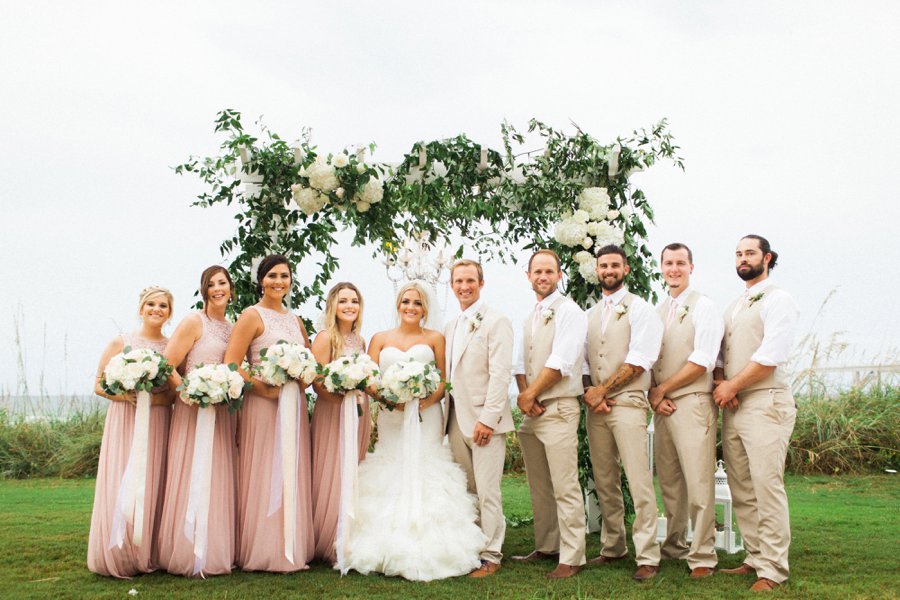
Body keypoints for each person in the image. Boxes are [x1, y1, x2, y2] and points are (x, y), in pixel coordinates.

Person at [341, 281, 484, 581]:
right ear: (398, 305)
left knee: (426, 467)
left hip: (427, 415)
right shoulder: (379, 339)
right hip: (392, 416)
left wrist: (421, 404)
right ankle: (383, 545)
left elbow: (444, 381)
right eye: (406, 301)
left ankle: (435, 546)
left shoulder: (435, 338)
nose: (410, 307)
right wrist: (389, 400)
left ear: (424, 309)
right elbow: (369, 379)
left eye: (417, 303)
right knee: (391, 468)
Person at [714, 235, 798, 592]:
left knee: (767, 485)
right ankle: (755, 555)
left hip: (765, 401)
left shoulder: (779, 299)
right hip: (734, 406)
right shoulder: (733, 305)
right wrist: (721, 383)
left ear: (768, 257)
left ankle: (774, 568)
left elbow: (771, 354)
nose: (743, 258)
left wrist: (732, 386)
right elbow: (719, 356)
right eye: (738, 253)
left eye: (749, 252)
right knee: (741, 487)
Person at [223, 255, 314, 572]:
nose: (279, 281)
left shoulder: (295, 320)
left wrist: (300, 379)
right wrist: (263, 387)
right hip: (262, 405)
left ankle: (290, 544)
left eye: (284, 276)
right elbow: (232, 365)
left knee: (291, 467)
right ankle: (262, 548)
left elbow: (309, 367)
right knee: (264, 470)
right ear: (261, 280)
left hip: (293, 406)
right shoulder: (251, 316)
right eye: (272, 276)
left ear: (291, 281)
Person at [582, 245, 663, 582]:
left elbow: (641, 358)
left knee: (638, 478)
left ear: (626, 269)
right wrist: (591, 392)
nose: (609, 270)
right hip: (596, 407)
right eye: (603, 265)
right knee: (604, 478)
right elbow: (583, 361)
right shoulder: (590, 314)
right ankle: (613, 545)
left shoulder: (641, 309)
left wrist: (604, 390)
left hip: (628, 402)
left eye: (615, 265)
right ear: (597, 271)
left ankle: (648, 554)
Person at [87, 286, 176, 578]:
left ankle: (145, 552)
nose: (156, 310)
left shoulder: (171, 347)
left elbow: (176, 392)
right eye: (151, 304)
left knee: (152, 482)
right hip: (125, 418)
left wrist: (155, 400)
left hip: (158, 421)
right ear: (141, 308)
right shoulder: (121, 342)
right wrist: (125, 397)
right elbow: (99, 384)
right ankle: (118, 552)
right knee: (122, 479)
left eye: (163, 306)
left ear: (169, 312)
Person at [156, 266, 238, 577]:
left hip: (220, 413)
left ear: (231, 289)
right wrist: (189, 392)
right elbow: (167, 365)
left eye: (223, 283)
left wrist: (225, 390)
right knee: (191, 474)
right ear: (204, 290)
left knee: (217, 475)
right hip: (192, 411)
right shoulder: (194, 321)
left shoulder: (232, 327)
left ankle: (214, 549)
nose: (218, 289)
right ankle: (185, 550)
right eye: (211, 284)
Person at [648, 243, 723, 578]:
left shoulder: (703, 306)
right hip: (663, 407)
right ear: (661, 268)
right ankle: (675, 545)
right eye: (668, 263)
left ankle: (703, 555)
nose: (674, 269)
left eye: (680, 263)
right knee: (670, 481)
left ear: (692, 267)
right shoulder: (659, 309)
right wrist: (654, 395)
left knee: (698, 481)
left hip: (692, 402)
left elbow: (703, 360)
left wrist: (664, 388)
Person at [512, 249, 587, 579]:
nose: (542, 276)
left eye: (549, 271)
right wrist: (525, 396)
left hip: (558, 408)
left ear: (559, 275)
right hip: (534, 412)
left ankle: (572, 556)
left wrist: (530, 394)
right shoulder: (531, 315)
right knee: (539, 486)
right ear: (528, 277)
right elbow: (518, 363)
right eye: (536, 271)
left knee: (565, 485)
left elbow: (562, 361)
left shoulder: (569, 311)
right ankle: (547, 545)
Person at [443, 259, 514, 577]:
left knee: (488, 490)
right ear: (452, 285)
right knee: (468, 489)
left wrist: (488, 419)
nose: (464, 286)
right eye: (458, 281)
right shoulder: (451, 325)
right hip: (455, 419)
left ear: (481, 283)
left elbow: (501, 375)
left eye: (470, 280)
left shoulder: (497, 321)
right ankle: (471, 547)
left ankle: (492, 554)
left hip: (485, 421)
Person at [309, 282, 372, 565]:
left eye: (354, 301)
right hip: (333, 412)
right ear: (333, 305)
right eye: (343, 300)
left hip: (358, 411)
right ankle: (328, 538)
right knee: (332, 470)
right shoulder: (325, 338)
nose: (349, 306)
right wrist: (340, 398)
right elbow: (316, 382)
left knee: (353, 468)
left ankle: (350, 533)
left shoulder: (360, 341)